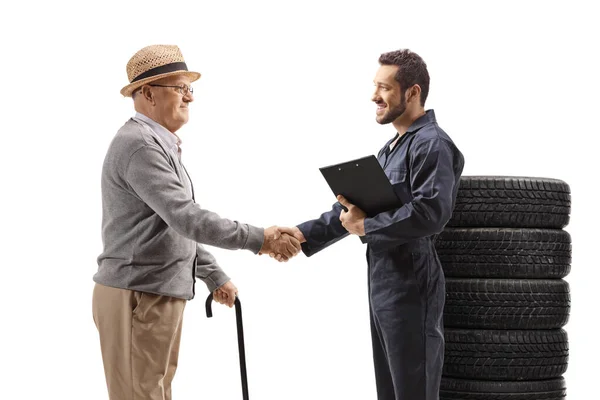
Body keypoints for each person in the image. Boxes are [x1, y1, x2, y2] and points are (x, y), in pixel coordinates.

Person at [92, 44, 300, 400]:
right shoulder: (140, 146)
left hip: (155, 293)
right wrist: (259, 239)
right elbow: (186, 218)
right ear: (147, 94)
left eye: (190, 88)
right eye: (180, 88)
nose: (190, 97)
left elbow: (170, 225)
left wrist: (213, 274)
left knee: (154, 392)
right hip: (139, 294)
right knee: (141, 395)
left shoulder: (157, 143)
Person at [278, 49, 465, 400]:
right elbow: (354, 211)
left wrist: (369, 227)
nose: (374, 96)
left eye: (384, 88)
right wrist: (302, 234)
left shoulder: (432, 144)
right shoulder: (390, 149)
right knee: (391, 392)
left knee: (414, 391)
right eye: (374, 86)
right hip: (384, 283)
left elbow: (431, 212)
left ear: (412, 92)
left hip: (412, 284)